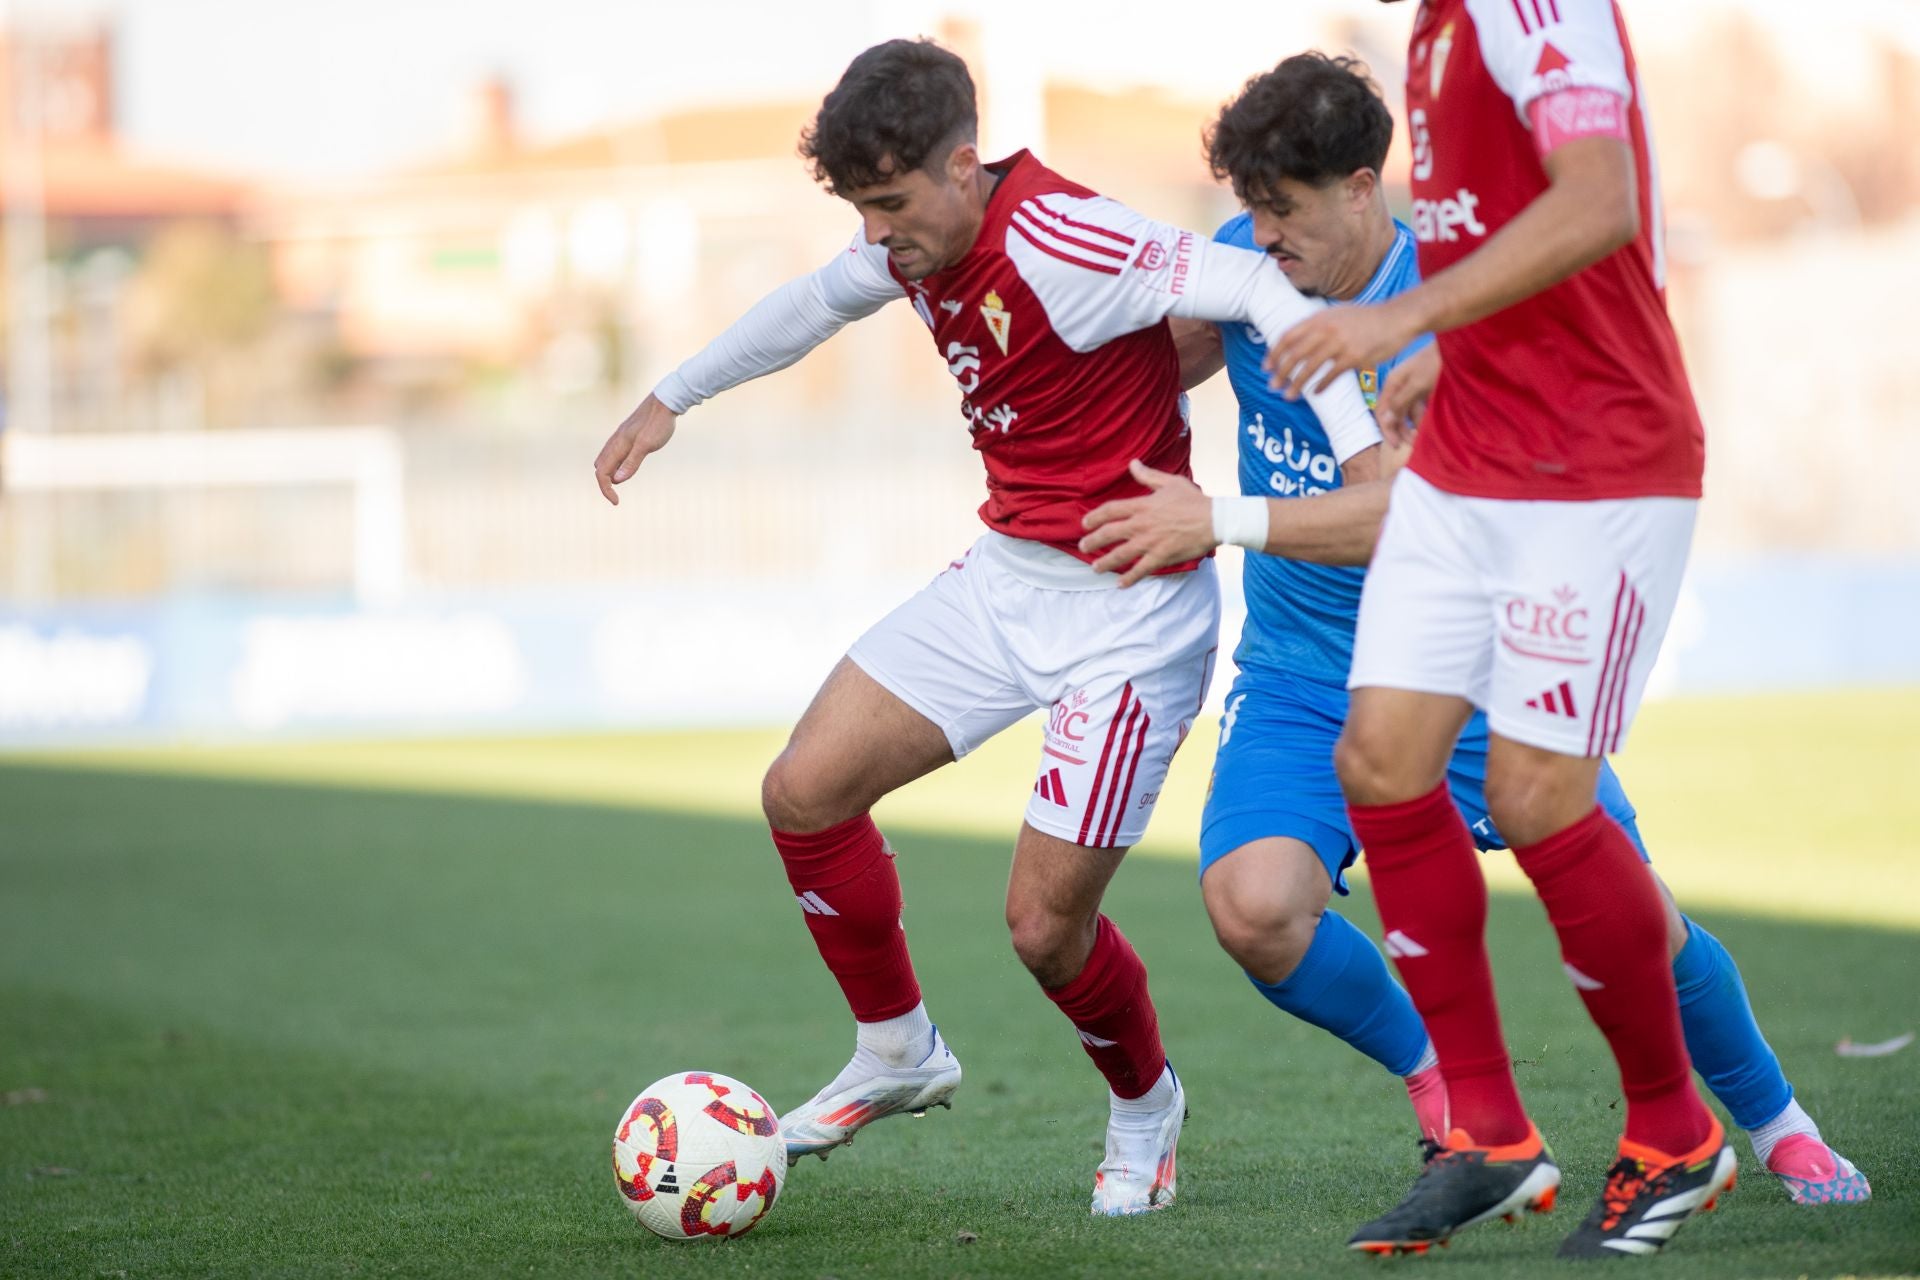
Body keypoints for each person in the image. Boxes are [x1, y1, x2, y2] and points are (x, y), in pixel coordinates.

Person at [591, 37, 1386, 1216]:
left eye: (893, 203)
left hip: (1130, 615)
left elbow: (1257, 289)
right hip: (1006, 578)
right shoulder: (911, 242)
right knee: (802, 790)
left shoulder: (1069, 237)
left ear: (964, 166)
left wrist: (1361, 445)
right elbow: (811, 306)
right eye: (862, 208)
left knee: (1041, 928)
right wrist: (671, 398)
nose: (877, 233)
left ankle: (1144, 1102)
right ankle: (899, 1046)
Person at [1078, 49, 1868, 1218]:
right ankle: (1456, 1097)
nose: (1263, 237)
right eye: (1248, 211)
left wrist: (1219, 518)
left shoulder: (1454, 295)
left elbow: (1405, 512)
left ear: (1364, 184)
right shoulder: (1247, 266)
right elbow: (1143, 362)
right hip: (1301, 674)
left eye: (1283, 210)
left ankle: (1778, 1122)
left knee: (1638, 918)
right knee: (1254, 902)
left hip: (1472, 665)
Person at [1233, 0, 1786, 1257]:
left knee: (1540, 798)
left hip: (1598, 464)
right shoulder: (1430, 35)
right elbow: (1503, 227)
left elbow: (1600, 200)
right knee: (1379, 759)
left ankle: (1675, 1134)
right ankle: (1487, 1133)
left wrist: (1406, 319)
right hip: (1473, 459)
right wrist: (1462, 346)